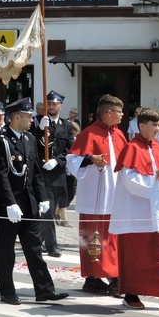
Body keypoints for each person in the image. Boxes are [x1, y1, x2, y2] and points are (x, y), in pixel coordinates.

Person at [0, 97, 68, 304]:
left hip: (29, 205)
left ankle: (44, 290)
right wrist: (10, 203)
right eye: (28, 117)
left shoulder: (29, 139)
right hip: (9, 207)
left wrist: (42, 198)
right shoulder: (2, 141)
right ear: (16, 117)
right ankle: (7, 291)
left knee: (34, 249)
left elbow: (36, 174)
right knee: (6, 251)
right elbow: (1, 175)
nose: (32, 120)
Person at [109, 108, 159, 310]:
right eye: (153, 125)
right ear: (141, 126)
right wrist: (157, 175)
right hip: (135, 213)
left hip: (156, 212)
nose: (157, 128)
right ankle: (131, 294)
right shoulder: (131, 148)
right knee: (135, 258)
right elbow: (130, 181)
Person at [66, 94, 128, 295]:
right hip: (96, 198)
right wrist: (90, 159)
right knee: (96, 238)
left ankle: (96, 278)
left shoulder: (119, 134)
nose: (122, 115)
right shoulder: (89, 133)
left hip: (115, 196)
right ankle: (109, 278)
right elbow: (71, 161)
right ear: (108, 113)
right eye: (119, 111)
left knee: (112, 239)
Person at [31, 90, 72, 258]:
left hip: (56, 174)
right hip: (40, 173)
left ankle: (40, 239)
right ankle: (51, 245)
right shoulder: (36, 122)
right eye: (49, 103)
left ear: (60, 106)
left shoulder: (66, 125)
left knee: (51, 208)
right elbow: (30, 142)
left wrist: (57, 161)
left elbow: (70, 148)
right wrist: (38, 130)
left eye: (54, 104)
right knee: (46, 210)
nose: (51, 106)